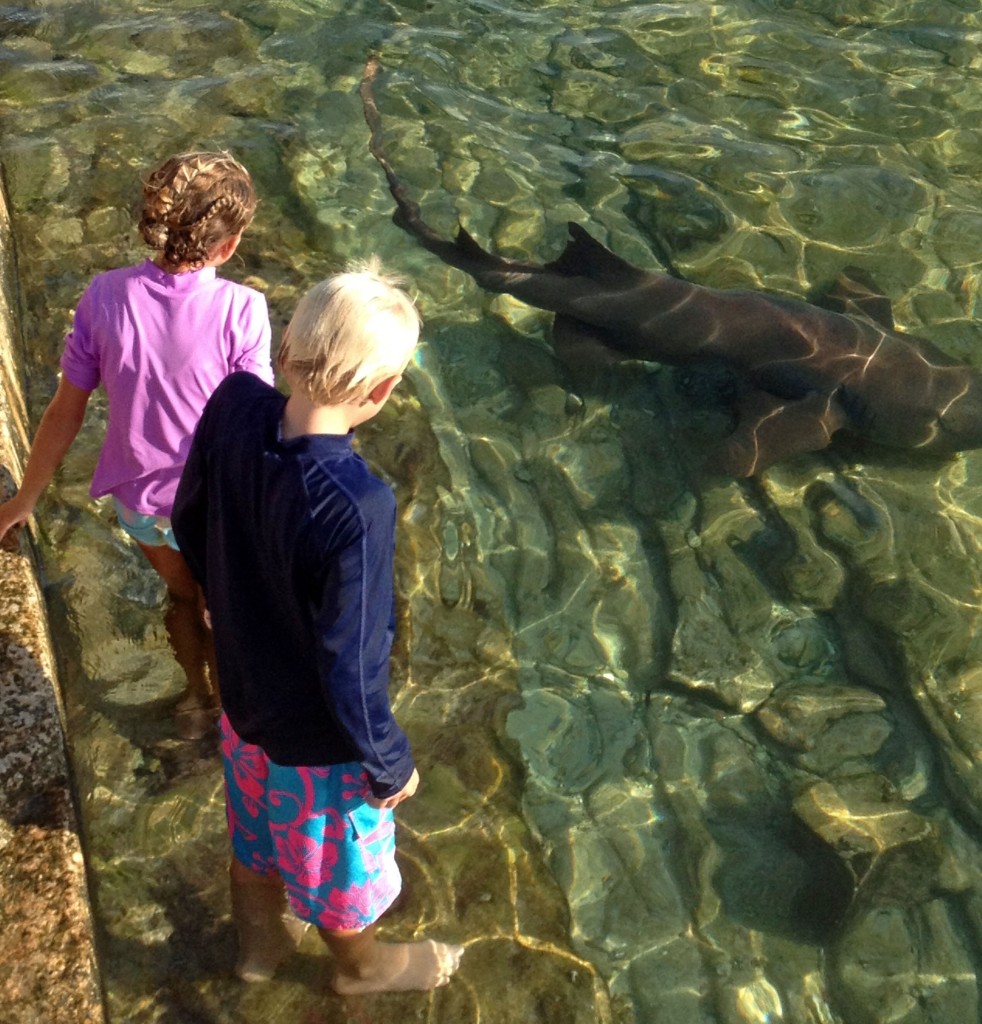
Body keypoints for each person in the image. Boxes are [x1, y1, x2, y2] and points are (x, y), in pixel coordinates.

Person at [171, 261, 464, 993]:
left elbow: (187, 513)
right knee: (335, 866)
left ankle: (259, 952)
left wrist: (218, 596)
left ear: (288, 345)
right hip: (317, 744)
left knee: (257, 839)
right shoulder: (356, 505)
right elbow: (349, 666)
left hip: (242, 703)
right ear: (382, 391)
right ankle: (361, 968)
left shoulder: (235, 402)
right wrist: (391, 760)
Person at [0, 151, 272, 737]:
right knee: (222, 612)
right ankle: (233, 725)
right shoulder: (242, 311)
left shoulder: (104, 295)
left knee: (181, 598)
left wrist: (25, 498)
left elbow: (65, 410)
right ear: (226, 248)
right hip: (212, 513)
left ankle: (194, 699)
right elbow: (257, 429)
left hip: (141, 509)